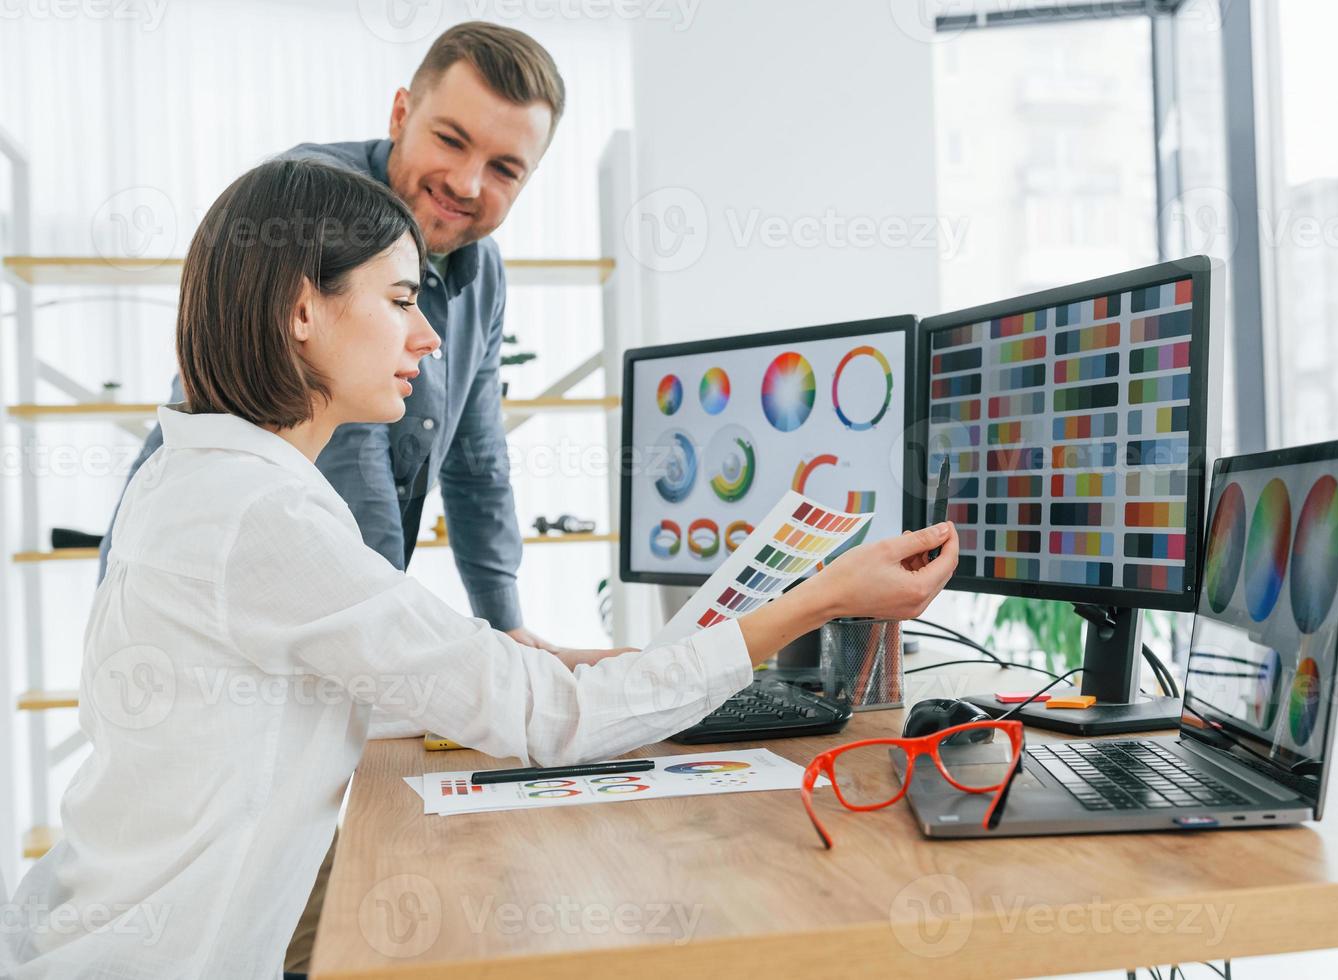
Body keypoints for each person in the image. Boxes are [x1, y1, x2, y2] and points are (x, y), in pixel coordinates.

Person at [6, 160, 957, 979]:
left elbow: (378, 678)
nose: (427, 337)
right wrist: (816, 599)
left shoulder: (203, 477)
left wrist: (581, 659)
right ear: (303, 308)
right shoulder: (261, 513)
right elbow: (545, 719)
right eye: (400, 300)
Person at [101, 21, 567, 653]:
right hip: (206, 606)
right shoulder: (317, 203)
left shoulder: (480, 270)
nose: (466, 182)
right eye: (451, 140)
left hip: (338, 605)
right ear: (401, 112)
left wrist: (505, 624)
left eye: (505, 169)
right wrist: (389, 638)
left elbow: (476, 457)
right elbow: (351, 444)